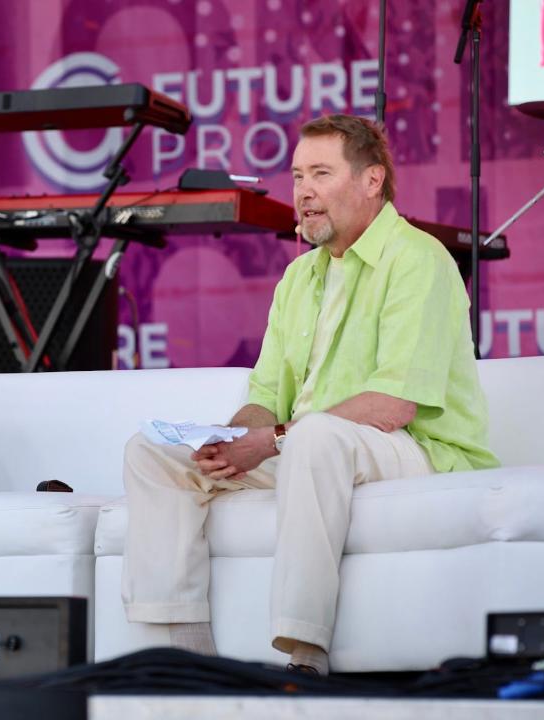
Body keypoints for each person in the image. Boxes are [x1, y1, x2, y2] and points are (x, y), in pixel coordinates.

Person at [120, 114, 499, 675]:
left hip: (418, 450)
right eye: (298, 176)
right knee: (151, 452)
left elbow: (392, 406)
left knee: (316, 435)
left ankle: (303, 655)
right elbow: (267, 393)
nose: (304, 192)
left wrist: (269, 441)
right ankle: (179, 656)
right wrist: (233, 438)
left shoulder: (418, 260)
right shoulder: (298, 278)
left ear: (372, 181)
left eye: (321, 173)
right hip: (307, 448)